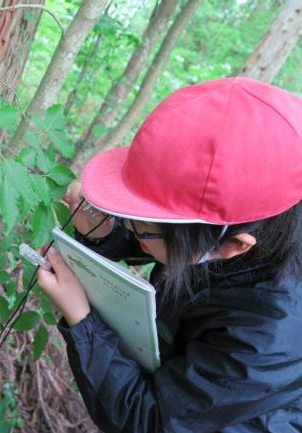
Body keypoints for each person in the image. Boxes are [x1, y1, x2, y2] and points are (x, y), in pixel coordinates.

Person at [36, 77, 302, 432]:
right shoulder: (248, 216)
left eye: (143, 226)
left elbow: (152, 421)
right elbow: (173, 237)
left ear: (234, 245)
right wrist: (105, 234)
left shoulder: (269, 335)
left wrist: (83, 323)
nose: (130, 226)